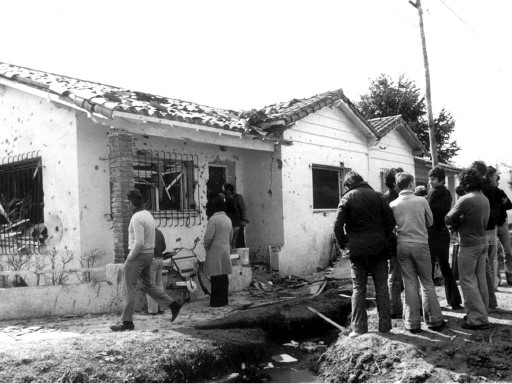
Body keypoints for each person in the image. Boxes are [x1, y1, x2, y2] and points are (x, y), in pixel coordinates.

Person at [110, 189, 182, 331]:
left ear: (132, 202)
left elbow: (139, 242)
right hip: (149, 254)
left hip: (138, 255)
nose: (126, 204)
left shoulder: (136, 218)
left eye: (127, 202)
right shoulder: (148, 215)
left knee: (129, 288)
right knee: (149, 286)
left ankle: (127, 322)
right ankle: (173, 305)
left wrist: (129, 259)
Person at [334, 171, 394, 338]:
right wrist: (383, 237)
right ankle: (385, 326)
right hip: (379, 249)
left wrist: (344, 243)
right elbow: (391, 221)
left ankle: (359, 328)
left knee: (358, 288)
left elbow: (337, 226)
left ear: (348, 185)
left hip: (358, 251)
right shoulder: (379, 196)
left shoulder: (346, 198)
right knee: (381, 286)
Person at [390, 172, 446, 333]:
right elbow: (430, 221)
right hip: (420, 243)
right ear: (410, 184)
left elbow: (391, 226)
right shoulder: (421, 200)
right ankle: (434, 320)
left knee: (409, 284)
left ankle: (412, 323)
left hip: (402, 245)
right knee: (427, 283)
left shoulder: (393, 204)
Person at [445, 168, 491, 329]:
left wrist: (459, 222)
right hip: (482, 241)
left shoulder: (466, 199)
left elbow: (448, 218)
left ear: (465, 182)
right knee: (480, 280)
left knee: (467, 280)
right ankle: (481, 311)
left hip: (469, 244)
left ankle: (477, 318)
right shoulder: (484, 198)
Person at [427, 166, 462, 310]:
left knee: (428, 270)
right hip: (443, 233)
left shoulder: (433, 193)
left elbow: (428, 213)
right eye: (429, 178)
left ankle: (430, 304)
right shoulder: (448, 193)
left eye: (433, 178)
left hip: (431, 234)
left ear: (441, 179)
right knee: (445, 267)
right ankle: (454, 300)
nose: (430, 181)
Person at [471, 162, 499, 309]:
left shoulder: (479, 187)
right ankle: (491, 301)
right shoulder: (492, 188)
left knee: (482, 269)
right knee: (488, 267)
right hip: (489, 228)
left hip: (482, 231)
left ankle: (485, 303)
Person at [204, 195, 233, 307]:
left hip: (214, 251)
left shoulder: (213, 219)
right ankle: (224, 300)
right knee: (224, 276)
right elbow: (230, 237)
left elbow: (208, 238)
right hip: (225, 249)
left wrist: (207, 248)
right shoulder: (228, 219)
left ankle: (216, 302)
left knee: (215, 277)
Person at [383, 167, 404, 319]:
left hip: (404, 240)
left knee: (403, 277)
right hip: (394, 243)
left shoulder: (402, 196)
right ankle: (395, 308)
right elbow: (385, 223)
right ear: (393, 182)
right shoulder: (387, 199)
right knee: (395, 276)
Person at [495, 175, 512, 285]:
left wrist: (502, 203)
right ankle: (497, 280)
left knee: (508, 251)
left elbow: (510, 204)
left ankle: (510, 276)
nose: (497, 182)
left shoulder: (500, 191)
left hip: (503, 224)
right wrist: (502, 203)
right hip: (493, 225)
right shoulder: (487, 192)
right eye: (497, 180)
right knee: (494, 253)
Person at [146, 228, 167, 315]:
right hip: (160, 259)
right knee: (159, 284)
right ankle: (161, 308)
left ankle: (153, 310)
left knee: (150, 285)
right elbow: (164, 247)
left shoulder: (147, 232)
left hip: (152, 260)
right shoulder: (159, 231)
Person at [223, 183, 248, 251]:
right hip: (229, 223)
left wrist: (244, 220)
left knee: (239, 240)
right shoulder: (224, 198)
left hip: (238, 222)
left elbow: (243, 209)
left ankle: (242, 259)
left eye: (226, 190)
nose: (225, 192)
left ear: (229, 190)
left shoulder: (237, 197)